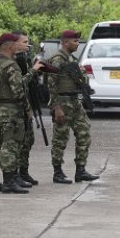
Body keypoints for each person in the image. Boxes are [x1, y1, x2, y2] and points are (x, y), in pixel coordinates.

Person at [0, 33, 43, 194]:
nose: (18, 46)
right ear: (9, 46)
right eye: (15, 43)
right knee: (10, 145)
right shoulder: (11, 65)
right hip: (11, 111)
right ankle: (9, 182)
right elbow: (18, 91)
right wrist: (26, 108)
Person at [48, 30, 100, 184]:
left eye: (78, 41)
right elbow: (51, 84)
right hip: (62, 102)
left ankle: (81, 170)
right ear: (65, 42)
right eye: (75, 41)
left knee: (84, 132)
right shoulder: (57, 60)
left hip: (75, 101)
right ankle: (58, 172)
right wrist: (56, 107)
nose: (78, 43)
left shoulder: (72, 59)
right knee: (60, 138)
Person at [12, 31, 37, 188]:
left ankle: (23, 171)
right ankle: (14, 176)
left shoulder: (24, 60)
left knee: (28, 140)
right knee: (16, 143)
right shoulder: (10, 61)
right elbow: (20, 83)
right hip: (15, 109)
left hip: (25, 104)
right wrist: (33, 71)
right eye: (24, 42)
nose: (27, 45)